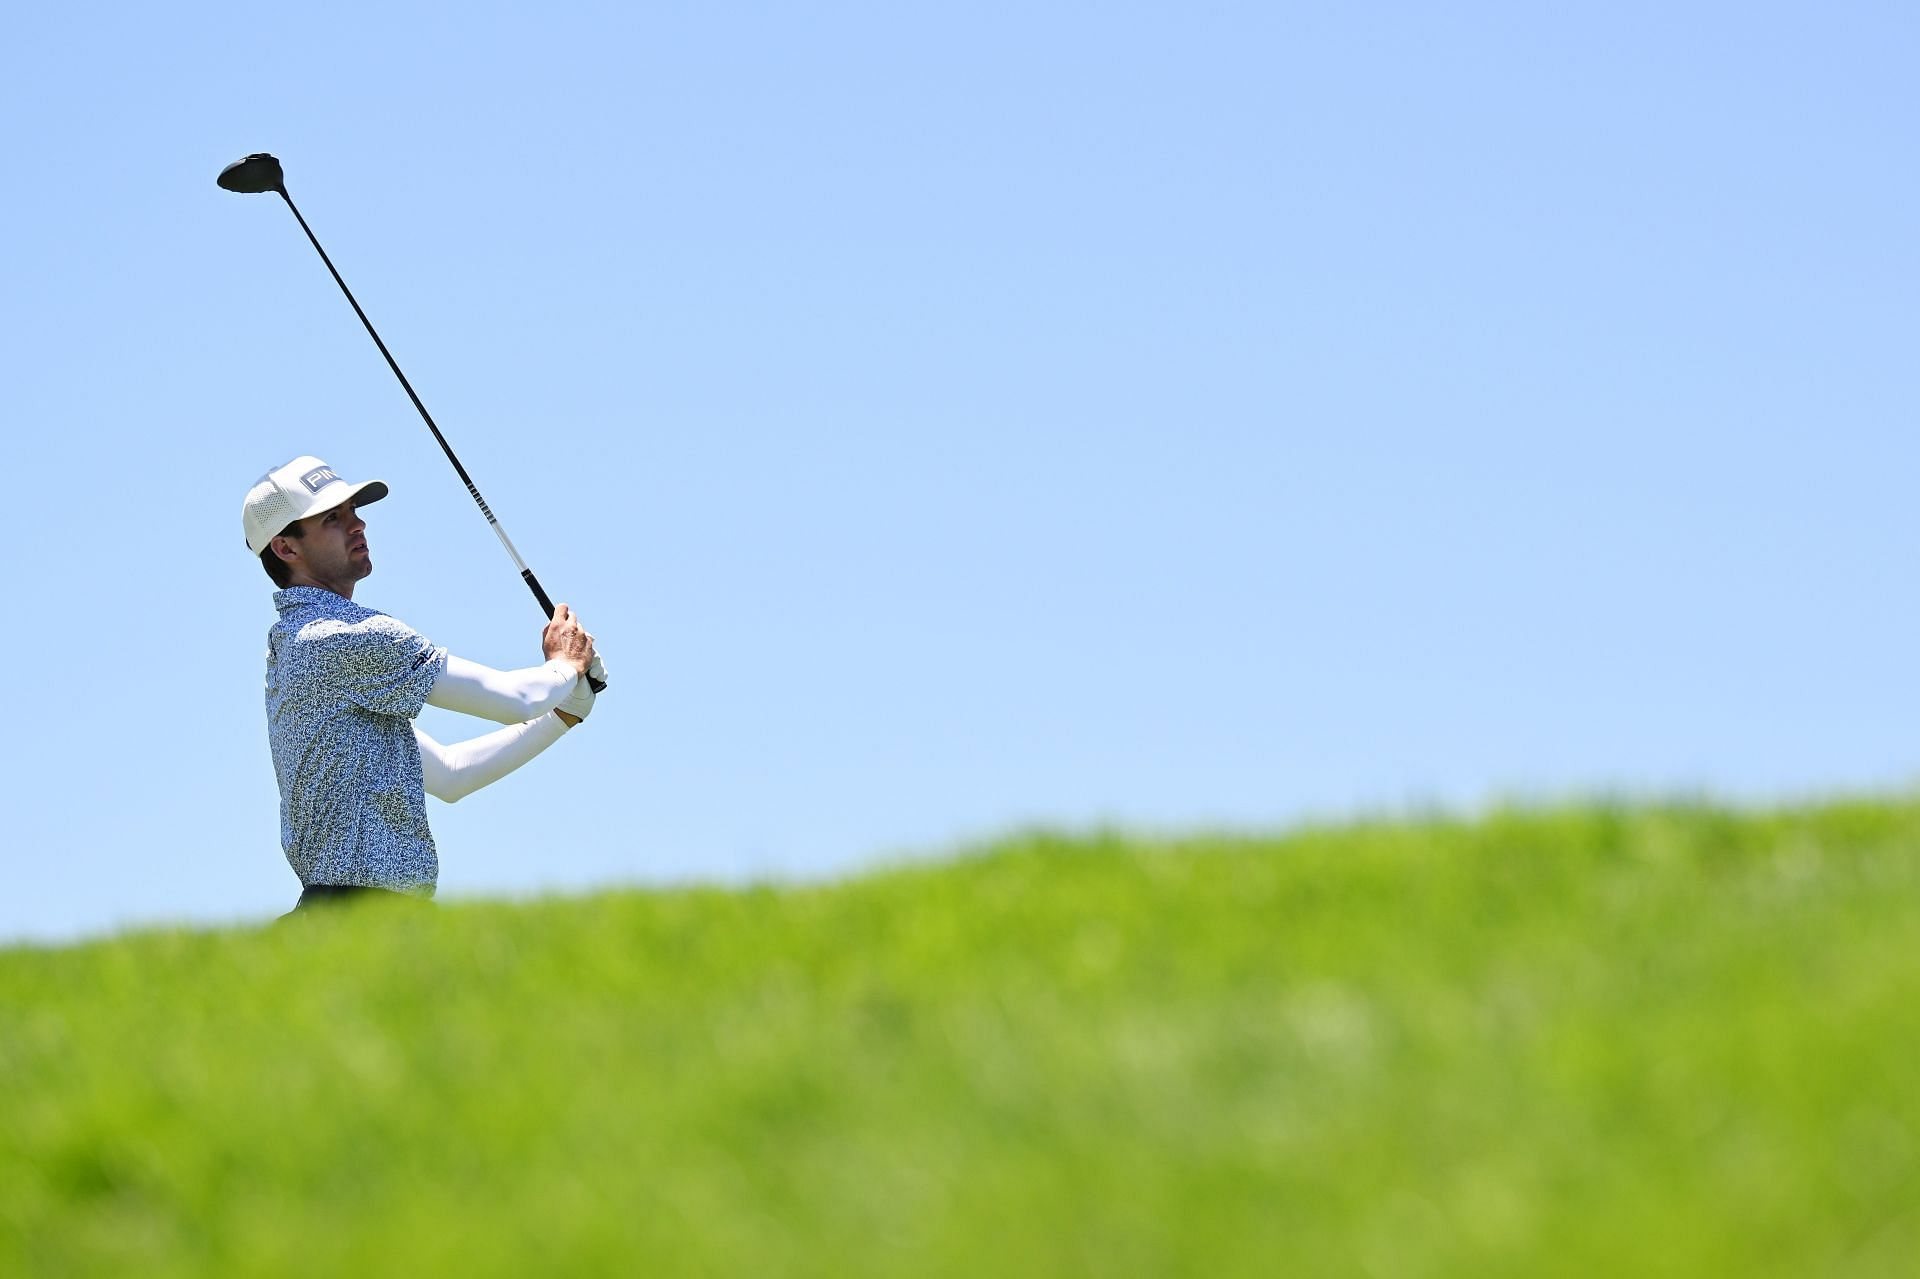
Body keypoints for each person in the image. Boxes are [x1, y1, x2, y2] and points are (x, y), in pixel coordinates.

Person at [242, 455, 602, 913]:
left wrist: (563, 714)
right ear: (285, 547)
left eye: (354, 511)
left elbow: (452, 773)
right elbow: (515, 699)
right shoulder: (340, 637)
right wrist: (565, 664)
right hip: (362, 917)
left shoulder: (302, 644)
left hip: (346, 914)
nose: (357, 525)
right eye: (333, 518)